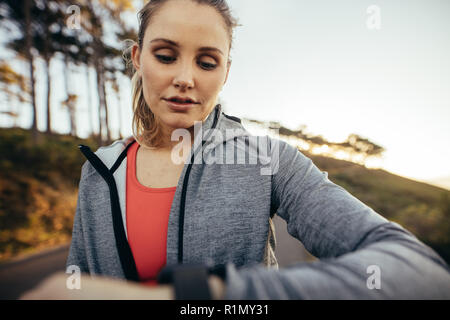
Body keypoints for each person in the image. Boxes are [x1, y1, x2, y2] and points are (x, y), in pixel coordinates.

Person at [65, 0, 450, 300]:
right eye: (165, 56)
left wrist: (211, 296)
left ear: (226, 73)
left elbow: (421, 272)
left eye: (207, 62)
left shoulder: (269, 159)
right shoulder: (99, 169)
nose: (185, 78)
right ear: (137, 59)